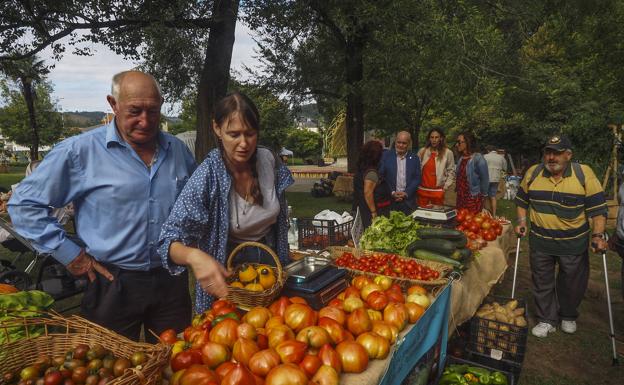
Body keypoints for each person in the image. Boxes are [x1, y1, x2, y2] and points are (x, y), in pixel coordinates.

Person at [8, 70, 197, 342]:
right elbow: (25, 205)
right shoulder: (79, 152)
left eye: (153, 111)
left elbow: (193, 207)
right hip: (111, 281)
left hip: (171, 282)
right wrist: (72, 255)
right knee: (110, 369)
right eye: (134, 111)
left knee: (175, 365)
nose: (145, 121)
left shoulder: (178, 150)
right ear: (113, 104)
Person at [158, 92, 294, 313]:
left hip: (271, 269)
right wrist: (194, 256)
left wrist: (283, 256)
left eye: (250, 134)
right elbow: (167, 240)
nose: (244, 143)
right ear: (217, 129)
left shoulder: (269, 160)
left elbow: (279, 220)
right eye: (234, 134)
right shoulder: (208, 175)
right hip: (228, 277)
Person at [514, 135, 607, 338]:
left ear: (568, 155)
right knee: (542, 281)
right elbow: (521, 201)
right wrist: (522, 222)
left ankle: (568, 314)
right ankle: (547, 319)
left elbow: (598, 210)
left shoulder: (584, 174)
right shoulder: (533, 173)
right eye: (548, 152)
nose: (551, 157)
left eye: (556, 153)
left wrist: (598, 234)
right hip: (541, 241)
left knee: (572, 282)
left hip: (573, 243)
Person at [379, 131, 421, 214]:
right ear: (395, 142)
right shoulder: (385, 156)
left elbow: (417, 178)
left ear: (408, 144)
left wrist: (406, 193)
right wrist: (392, 192)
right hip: (389, 200)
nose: (401, 145)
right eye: (399, 142)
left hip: (408, 202)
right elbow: (381, 176)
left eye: (404, 143)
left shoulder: (415, 158)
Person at [353, 140, 391, 228]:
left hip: (360, 207)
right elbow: (368, 192)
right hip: (370, 212)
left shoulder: (361, 168)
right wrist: (373, 212)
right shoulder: (371, 173)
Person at [417, 127, 455, 207]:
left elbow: (451, 171)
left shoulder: (448, 153)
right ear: (429, 139)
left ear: (441, 138)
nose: (434, 140)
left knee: (436, 216)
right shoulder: (422, 151)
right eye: (432, 137)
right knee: (422, 216)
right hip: (423, 192)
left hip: (438, 192)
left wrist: (445, 188)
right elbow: (416, 170)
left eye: (436, 137)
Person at [454, 131, 489, 212]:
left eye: (459, 142)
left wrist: (482, 197)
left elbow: (485, 179)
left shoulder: (478, 158)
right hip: (460, 198)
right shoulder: (461, 158)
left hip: (473, 199)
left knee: (473, 222)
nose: (456, 145)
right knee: (460, 222)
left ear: (467, 142)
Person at [484, 145, 508, 215]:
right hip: (496, 178)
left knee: (484, 196)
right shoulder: (501, 157)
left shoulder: (485, 156)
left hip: (486, 178)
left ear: (488, 150)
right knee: (493, 196)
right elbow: (505, 168)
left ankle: (486, 213)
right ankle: (494, 214)